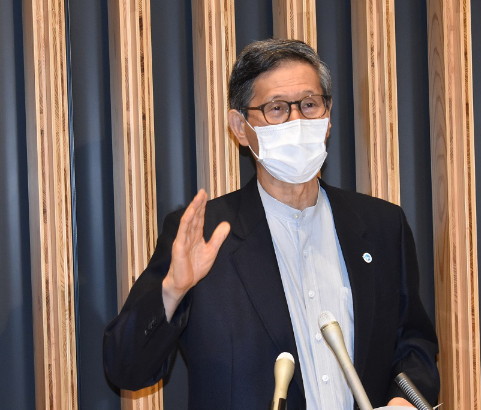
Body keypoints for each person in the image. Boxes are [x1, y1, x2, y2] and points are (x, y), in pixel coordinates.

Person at [103, 38, 439, 409]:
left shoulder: (381, 226)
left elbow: (414, 345)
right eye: (276, 108)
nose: (297, 121)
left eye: (309, 105)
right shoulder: (204, 235)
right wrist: (172, 290)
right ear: (240, 126)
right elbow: (126, 370)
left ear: (327, 117)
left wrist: (405, 402)